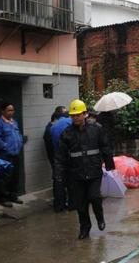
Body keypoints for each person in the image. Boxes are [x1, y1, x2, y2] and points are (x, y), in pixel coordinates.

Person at [55, 99, 115, 239]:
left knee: (94, 197)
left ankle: (100, 218)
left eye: (78, 115)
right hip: (76, 174)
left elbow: (105, 147)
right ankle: (85, 228)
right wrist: (58, 174)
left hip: (94, 171)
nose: (76, 118)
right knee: (80, 204)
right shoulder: (67, 134)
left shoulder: (96, 129)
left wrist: (109, 164)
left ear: (85, 114)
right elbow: (60, 156)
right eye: (73, 115)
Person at [0, 102, 24, 207]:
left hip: (16, 154)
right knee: (5, 177)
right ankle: (3, 198)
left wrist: (19, 144)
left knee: (15, 176)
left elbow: (17, 134)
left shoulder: (14, 122)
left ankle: (13, 195)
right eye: (9, 110)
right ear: (3, 111)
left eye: (12, 110)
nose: (11, 112)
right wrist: (7, 147)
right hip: (5, 155)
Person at [44, 106, 67, 212]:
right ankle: (59, 204)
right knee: (59, 180)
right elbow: (52, 146)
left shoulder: (53, 127)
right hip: (56, 158)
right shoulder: (50, 129)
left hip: (57, 158)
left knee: (60, 180)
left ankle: (60, 203)